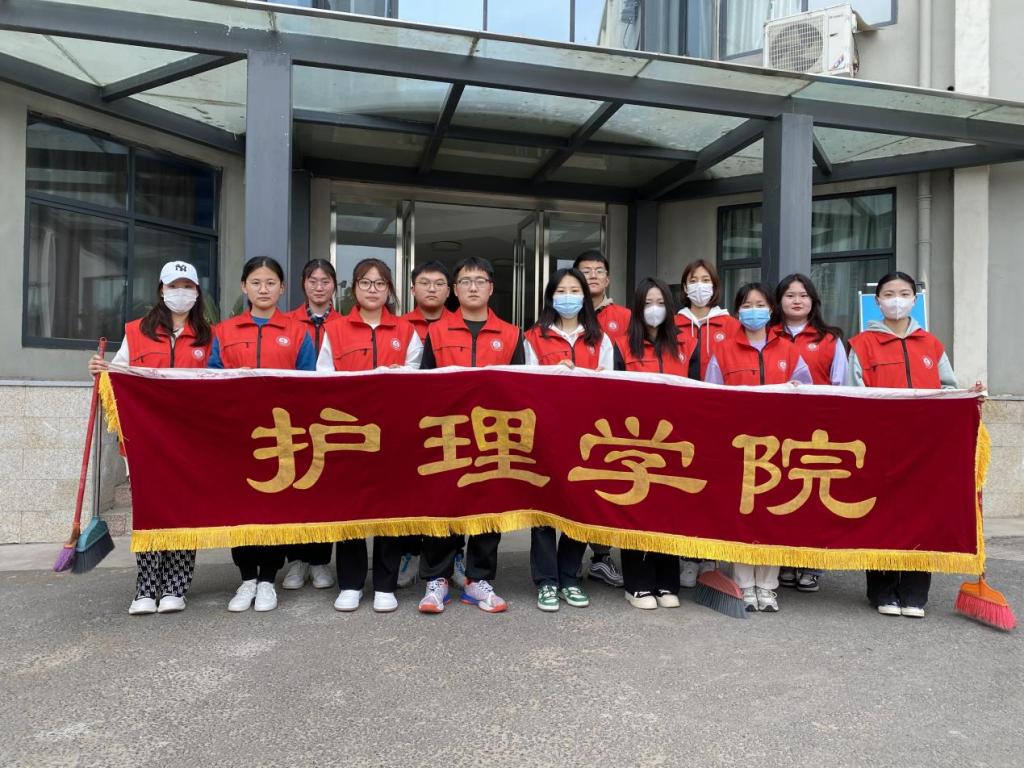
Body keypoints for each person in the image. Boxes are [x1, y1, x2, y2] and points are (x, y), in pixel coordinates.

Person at [847, 270, 982, 619]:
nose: (897, 300)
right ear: (878, 301)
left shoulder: (931, 344)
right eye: (889, 294)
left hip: (925, 449)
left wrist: (968, 397)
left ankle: (914, 593)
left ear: (914, 299)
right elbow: (852, 396)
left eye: (904, 293)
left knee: (921, 517)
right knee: (882, 516)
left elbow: (948, 388)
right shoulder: (862, 344)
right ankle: (882, 591)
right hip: (880, 446)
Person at [89, 261, 211, 616]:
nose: (180, 293)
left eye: (187, 286)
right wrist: (101, 371)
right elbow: (118, 374)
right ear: (161, 289)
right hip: (145, 441)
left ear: (197, 292)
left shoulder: (207, 336)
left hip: (189, 443)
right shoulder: (136, 331)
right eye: (174, 286)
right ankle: (146, 587)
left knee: (183, 511)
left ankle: (176, 586)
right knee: (150, 509)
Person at [417, 256, 524, 614]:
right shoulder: (436, 332)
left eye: (480, 281)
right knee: (443, 505)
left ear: (491, 288)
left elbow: (520, 388)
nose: (473, 287)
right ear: (455, 289)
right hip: (447, 434)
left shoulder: (511, 334)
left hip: (492, 435)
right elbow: (424, 385)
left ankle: (478, 580)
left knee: (487, 507)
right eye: (465, 281)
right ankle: (437, 580)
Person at [210, 256, 316, 613]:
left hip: (280, 435)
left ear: (282, 288)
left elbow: (309, 385)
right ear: (244, 287)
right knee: (239, 508)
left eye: (271, 283)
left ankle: (269, 579)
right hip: (237, 435)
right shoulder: (224, 332)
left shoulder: (297, 331)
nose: (263, 289)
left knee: (274, 508)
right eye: (256, 282)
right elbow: (210, 381)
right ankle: (246, 579)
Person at [317, 258, 423, 613]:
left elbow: (418, 380)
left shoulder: (406, 330)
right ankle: (350, 583)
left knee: (390, 509)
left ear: (389, 290)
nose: (373, 290)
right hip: (347, 434)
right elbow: (323, 381)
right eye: (365, 283)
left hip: (394, 434)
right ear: (354, 288)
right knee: (350, 508)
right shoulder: (335, 330)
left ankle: (385, 585)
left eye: (380, 284)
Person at [705, 282, 812, 613]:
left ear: (771, 310)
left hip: (779, 446)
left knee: (772, 514)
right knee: (742, 515)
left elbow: (808, 394)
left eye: (760, 304)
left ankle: (767, 586)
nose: (754, 311)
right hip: (739, 446)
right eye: (747, 305)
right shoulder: (724, 351)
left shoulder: (789, 351)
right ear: (738, 311)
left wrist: (797, 389)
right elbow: (711, 398)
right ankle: (742, 582)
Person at [524, 268, 615, 612]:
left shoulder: (600, 339)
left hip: (588, 436)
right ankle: (547, 581)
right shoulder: (534, 337)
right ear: (550, 297)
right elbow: (526, 387)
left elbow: (612, 387)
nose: (568, 296)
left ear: (584, 297)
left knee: (580, 507)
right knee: (544, 509)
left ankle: (569, 575)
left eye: (574, 290)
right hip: (546, 433)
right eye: (561, 290)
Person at [614, 277, 693, 610]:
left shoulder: (687, 344)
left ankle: (666, 581)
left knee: (670, 512)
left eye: (660, 302)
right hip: (636, 438)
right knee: (636, 510)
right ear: (637, 308)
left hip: (675, 440)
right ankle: (637, 583)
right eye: (647, 303)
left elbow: (700, 391)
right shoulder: (621, 345)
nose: (655, 309)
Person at [772, 273, 847, 593]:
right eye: (790, 295)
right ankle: (785, 561)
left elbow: (842, 385)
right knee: (782, 496)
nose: (797, 301)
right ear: (779, 301)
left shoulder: (830, 339)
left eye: (803, 295)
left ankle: (812, 564)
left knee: (814, 498)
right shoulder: (768, 336)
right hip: (776, 430)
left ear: (813, 300)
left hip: (819, 431)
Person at [674, 259, 739, 588]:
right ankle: (687, 557)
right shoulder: (673, 323)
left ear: (715, 285)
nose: (699, 286)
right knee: (686, 488)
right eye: (693, 280)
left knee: (716, 489)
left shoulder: (732, 324)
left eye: (705, 279)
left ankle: (711, 558)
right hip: (682, 417)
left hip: (720, 418)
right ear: (684, 287)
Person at [281, 258, 341, 593]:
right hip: (293, 418)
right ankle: (297, 560)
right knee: (295, 486)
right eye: (313, 281)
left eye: (325, 281)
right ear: (303, 284)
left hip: (330, 419)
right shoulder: (287, 323)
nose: (319, 287)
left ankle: (320, 560)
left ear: (334, 285)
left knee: (325, 489)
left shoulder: (345, 324)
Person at [396, 261, 455, 590]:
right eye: (424, 283)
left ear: (449, 290)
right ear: (412, 289)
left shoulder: (460, 324)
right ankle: (410, 553)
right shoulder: (399, 326)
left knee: (448, 492)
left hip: (450, 425)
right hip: (408, 423)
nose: (431, 289)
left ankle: (453, 555)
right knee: (410, 491)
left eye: (438, 283)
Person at [572, 249, 628, 588]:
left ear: (608, 278)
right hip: (572, 414)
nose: (592, 276)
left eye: (598, 271)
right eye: (585, 270)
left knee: (606, 484)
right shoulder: (562, 315)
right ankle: (570, 558)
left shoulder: (624, 316)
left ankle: (601, 556)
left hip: (612, 415)